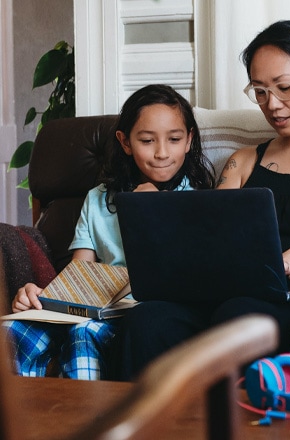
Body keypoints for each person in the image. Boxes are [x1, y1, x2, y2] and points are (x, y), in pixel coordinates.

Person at [117, 20, 290, 380]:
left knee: (240, 316)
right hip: (227, 299)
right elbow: (204, 246)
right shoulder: (244, 162)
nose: (272, 105)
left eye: (285, 88)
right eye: (260, 92)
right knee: (147, 320)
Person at [3, 84, 215, 379]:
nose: (162, 153)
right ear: (125, 142)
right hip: (99, 307)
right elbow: (80, 274)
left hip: (144, 317)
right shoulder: (98, 199)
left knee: (84, 332)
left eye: (175, 139)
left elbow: (190, 276)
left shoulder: (202, 200)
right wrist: (38, 295)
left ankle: (88, 421)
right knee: (10, 330)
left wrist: (154, 210)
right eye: (146, 140)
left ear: (189, 139)